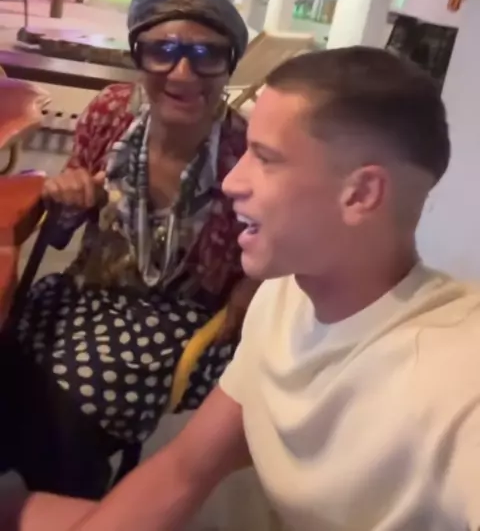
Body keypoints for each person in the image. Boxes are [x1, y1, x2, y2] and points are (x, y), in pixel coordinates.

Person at [15, 43, 480, 531]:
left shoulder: (453, 378)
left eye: (265, 158)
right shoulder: (285, 297)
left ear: (361, 194)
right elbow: (184, 471)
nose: (232, 181)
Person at [3, 0, 256, 499]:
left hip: (183, 317)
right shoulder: (111, 113)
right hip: (87, 289)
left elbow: (284, 244)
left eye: (206, 54)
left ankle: (72, 501)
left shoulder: (247, 149)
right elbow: (62, 232)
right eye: (162, 50)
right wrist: (69, 198)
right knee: (9, 369)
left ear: (229, 64)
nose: (182, 72)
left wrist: (256, 285)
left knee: (70, 404)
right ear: (138, 55)